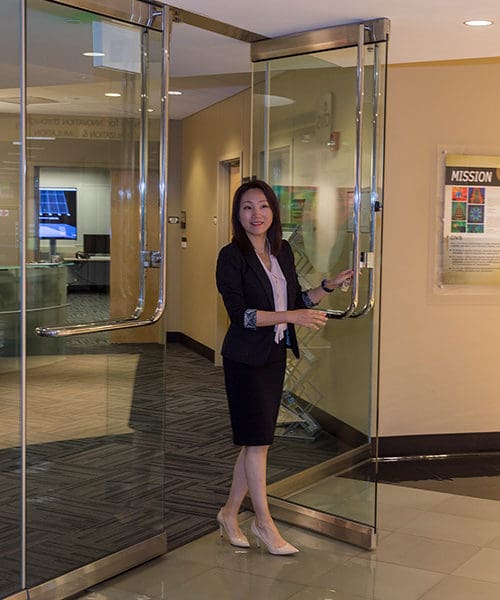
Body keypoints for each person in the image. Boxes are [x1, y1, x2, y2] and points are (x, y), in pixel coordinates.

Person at [215, 179, 353, 555]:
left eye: (262, 206)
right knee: (258, 443)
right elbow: (241, 315)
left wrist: (326, 286)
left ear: (273, 212)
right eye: (246, 207)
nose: (255, 214)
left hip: (273, 356)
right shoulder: (231, 256)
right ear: (237, 214)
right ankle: (263, 522)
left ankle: (229, 514)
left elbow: (295, 298)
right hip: (244, 360)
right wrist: (292, 314)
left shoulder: (282, 252)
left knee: (254, 443)